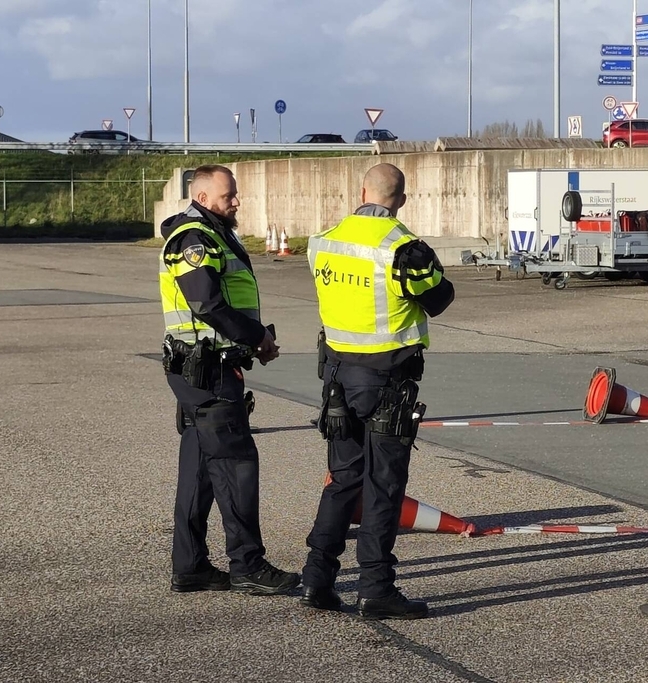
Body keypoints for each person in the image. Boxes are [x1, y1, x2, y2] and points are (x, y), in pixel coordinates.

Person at [300, 163, 455, 619]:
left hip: (335, 379)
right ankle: (376, 588)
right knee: (384, 485)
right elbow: (439, 299)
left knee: (343, 479)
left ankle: (316, 578)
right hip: (387, 379)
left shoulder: (323, 242)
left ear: (361, 190)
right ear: (402, 200)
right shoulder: (404, 250)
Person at [159, 164, 300, 596]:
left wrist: (251, 338)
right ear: (202, 198)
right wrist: (256, 337)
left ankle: (191, 565)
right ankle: (247, 564)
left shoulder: (215, 233)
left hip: (208, 366)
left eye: (234, 194)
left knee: (199, 470)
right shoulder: (192, 239)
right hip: (207, 370)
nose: (235, 201)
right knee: (237, 464)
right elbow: (206, 303)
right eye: (227, 196)